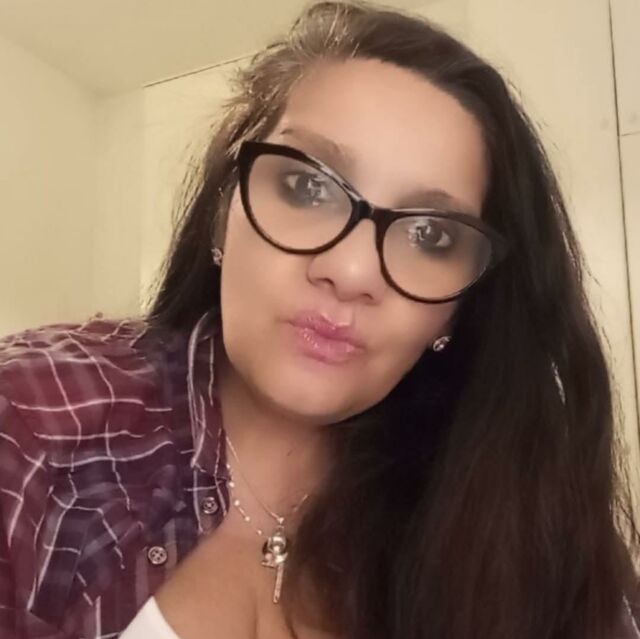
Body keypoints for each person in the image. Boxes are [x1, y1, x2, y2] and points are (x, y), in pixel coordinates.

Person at [1, 1, 638, 638]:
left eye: (430, 235)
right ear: (224, 214)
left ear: (460, 306)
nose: (351, 272)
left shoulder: (532, 530)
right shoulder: (37, 418)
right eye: (309, 188)